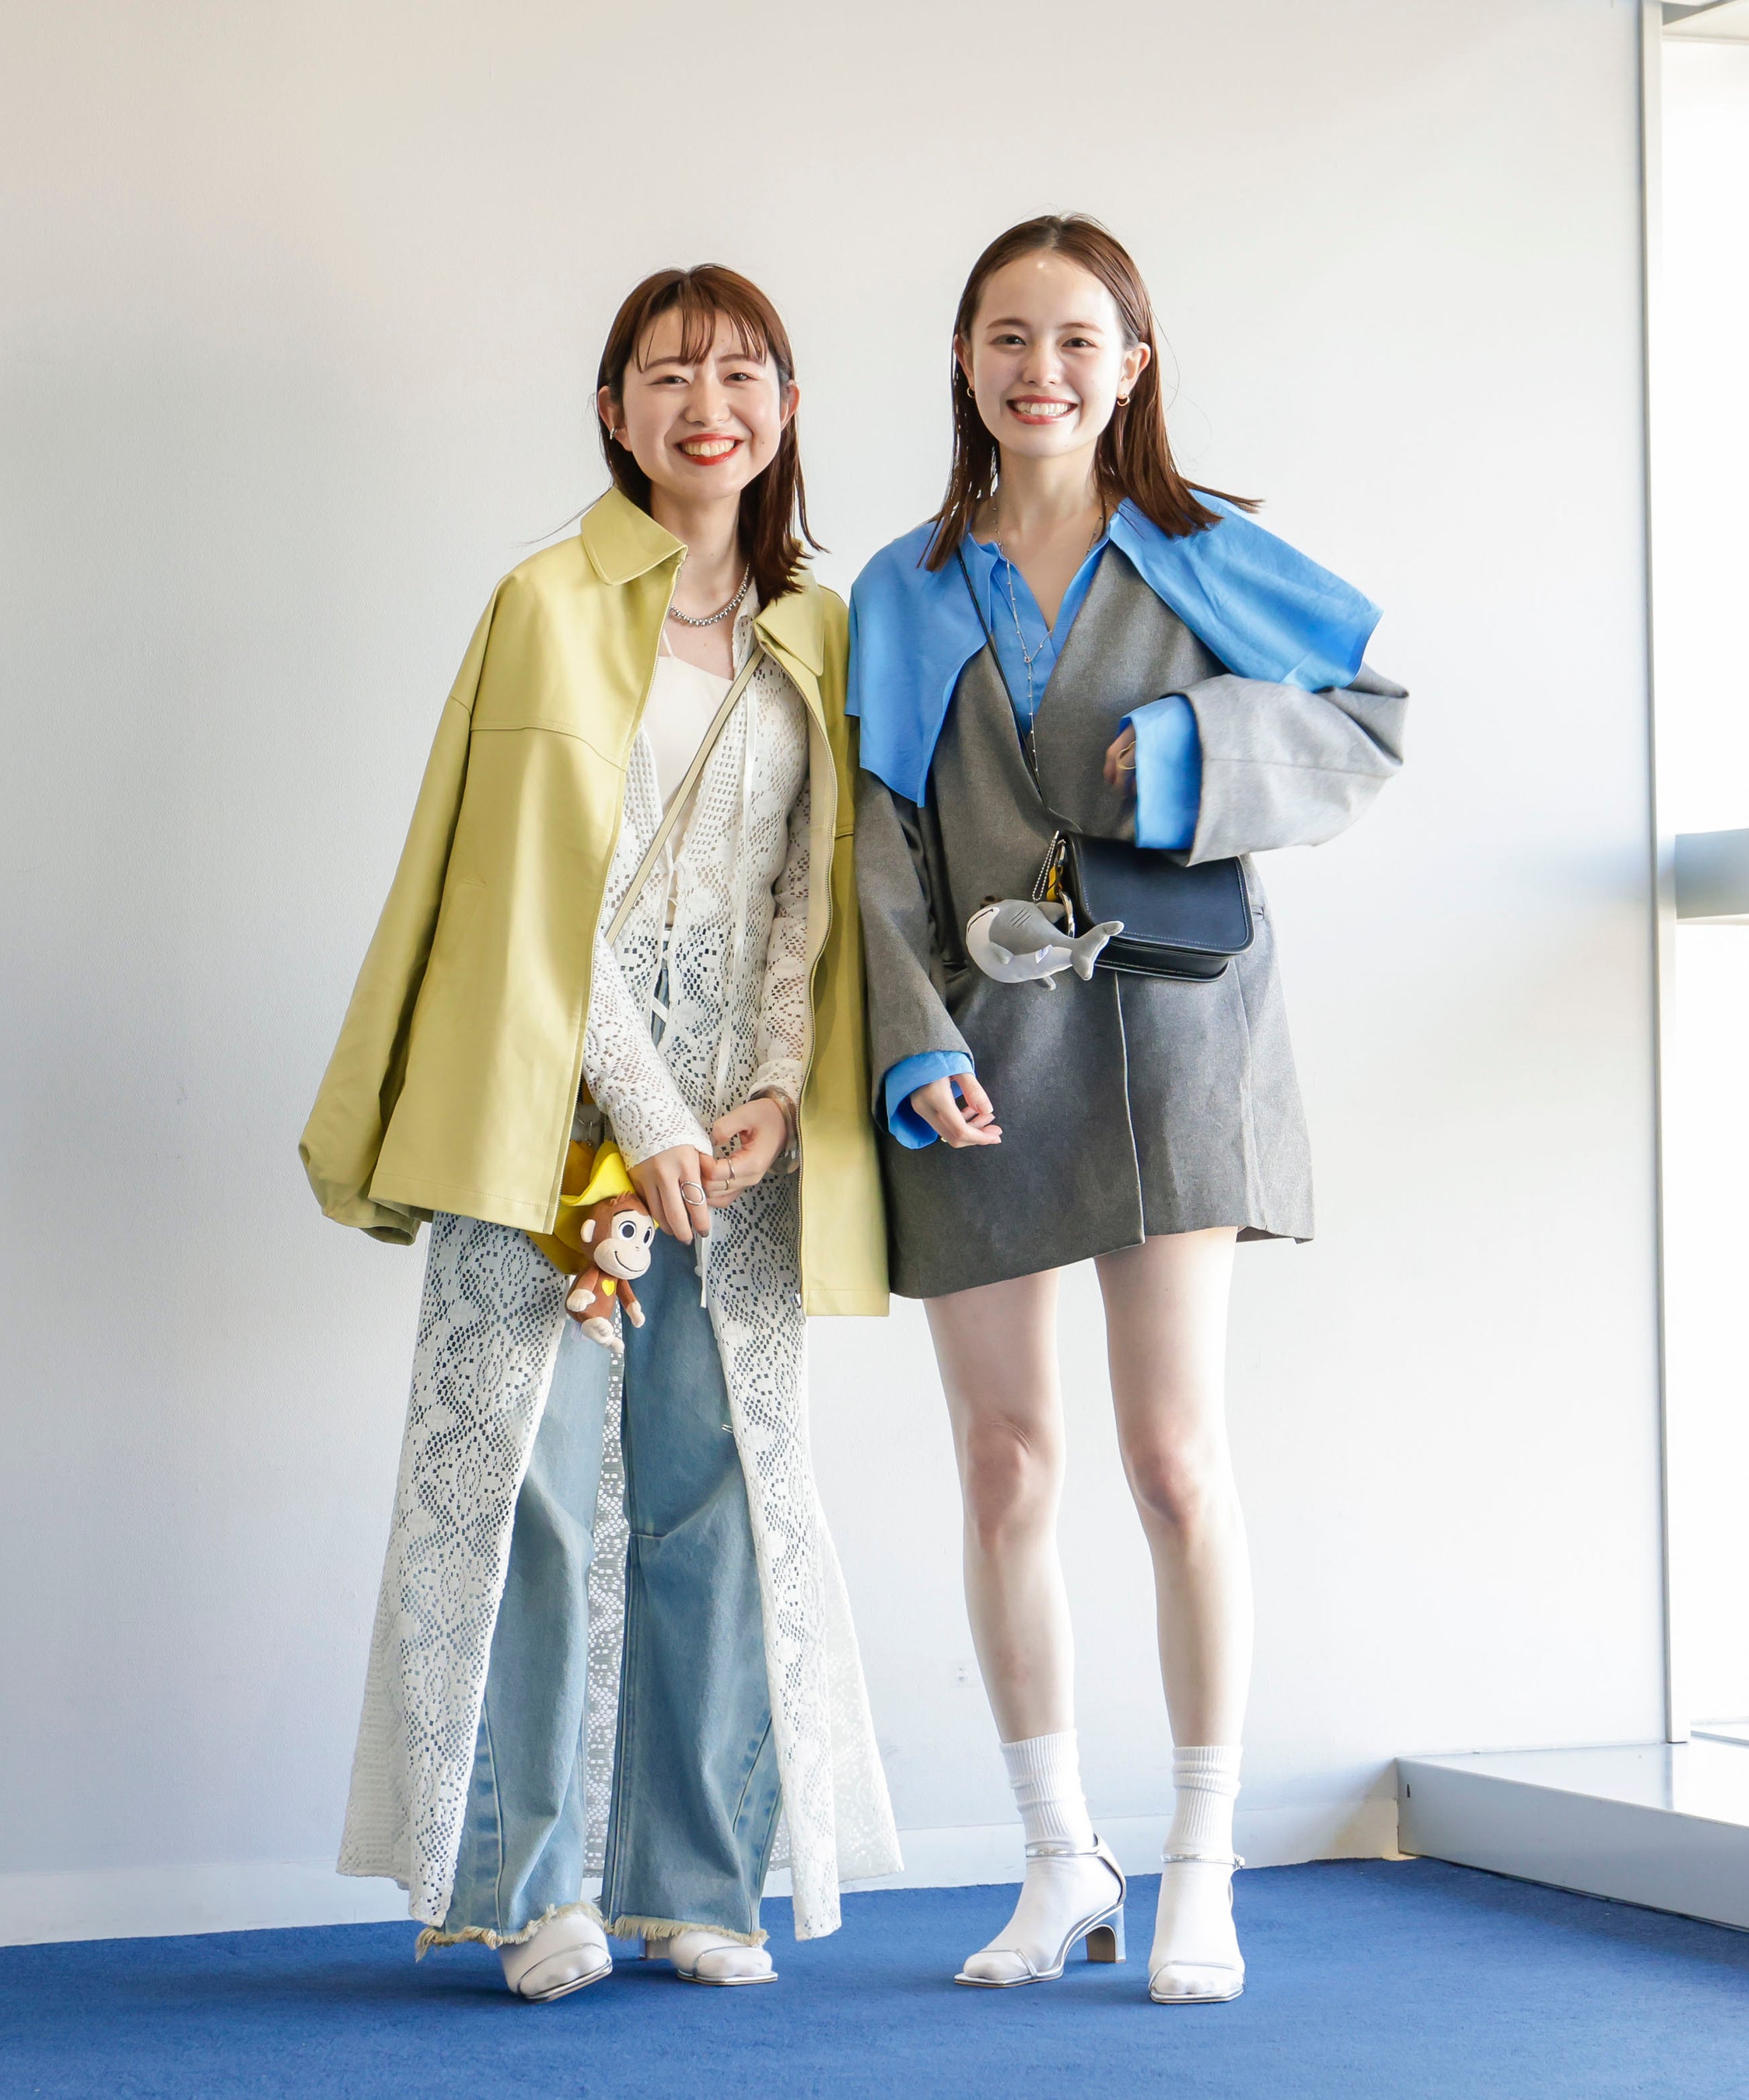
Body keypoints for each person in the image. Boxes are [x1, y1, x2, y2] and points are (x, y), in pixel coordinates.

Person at [301, 264, 899, 2001]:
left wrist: (770, 1089)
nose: (707, 405)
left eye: (741, 372)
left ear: (787, 405)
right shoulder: (545, 603)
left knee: (719, 1488)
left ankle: (694, 1882)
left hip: (738, 1140)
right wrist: (645, 1118)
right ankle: (529, 1886)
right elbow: (528, 901)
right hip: (552, 1110)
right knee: (534, 1490)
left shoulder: (817, 629)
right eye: (668, 375)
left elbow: (808, 896)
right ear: (613, 411)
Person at [849, 215, 1407, 2004]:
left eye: (1077, 340)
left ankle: (1200, 1865)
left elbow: (1372, 721)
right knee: (1005, 1463)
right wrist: (906, 1040)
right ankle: (1057, 1859)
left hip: (1178, 1037)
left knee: (1174, 1463)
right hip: (973, 1055)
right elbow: (874, 842)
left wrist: (1185, 758)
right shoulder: (903, 588)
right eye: (1009, 338)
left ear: (1133, 366)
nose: (1042, 371)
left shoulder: (1205, 551)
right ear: (963, 361)